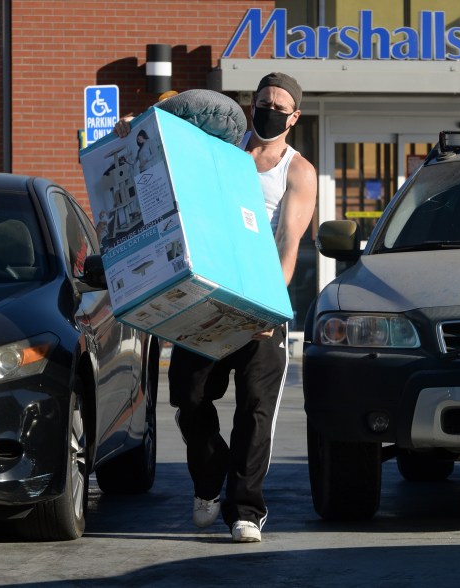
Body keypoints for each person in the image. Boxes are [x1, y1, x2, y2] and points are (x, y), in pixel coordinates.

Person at [113, 74, 317, 543]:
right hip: (205, 298)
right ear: (251, 103)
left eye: (278, 106)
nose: (268, 110)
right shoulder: (219, 144)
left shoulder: (296, 171)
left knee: (255, 411)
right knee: (189, 397)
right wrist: (132, 125)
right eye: (262, 102)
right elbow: (163, 135)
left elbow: (288, 245)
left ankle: (245, 508)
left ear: (294, 116)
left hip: (257, 303)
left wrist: (269, 309)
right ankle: (209, 480)